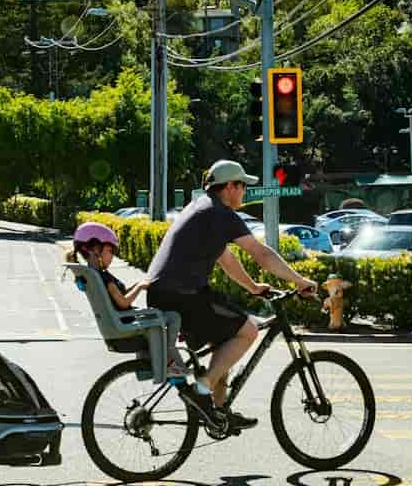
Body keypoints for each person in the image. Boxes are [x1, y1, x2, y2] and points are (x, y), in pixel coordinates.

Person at [146, 160, 319, 430]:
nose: (244, 192)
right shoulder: (219, 213)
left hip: (170, 293)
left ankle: (218, 411)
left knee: (226, 336)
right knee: (248, 331)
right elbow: (261, 255)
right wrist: (299, 280)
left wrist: (252, 288)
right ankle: (202, 392)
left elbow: (226, 259)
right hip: (182, 296)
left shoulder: (202, 208)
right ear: (229, 187)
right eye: (242, 186)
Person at [71, 222, 186, 381]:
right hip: (124, 325)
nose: (112, 256)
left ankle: (153, 366)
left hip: (117, 322)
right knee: (173, 317)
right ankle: (170, 363)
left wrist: (141, 284)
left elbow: (120, 295)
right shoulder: (105, 278)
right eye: (110, 250)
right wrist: (139, 287)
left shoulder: (94, 275)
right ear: (94, 249)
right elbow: (124, 302)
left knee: (157, 317)